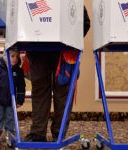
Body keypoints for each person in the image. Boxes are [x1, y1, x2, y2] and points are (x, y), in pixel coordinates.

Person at [24, 6, 90, 142]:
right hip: (38, 49)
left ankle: (57, 134)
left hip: (62, 52)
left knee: (62, 93)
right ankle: (39, 133)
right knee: (42, 92)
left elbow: (84, 22)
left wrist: (71, 40)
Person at [0, 49, 26, 148]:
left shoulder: (18, 71)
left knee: (10, 119)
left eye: (17, 57)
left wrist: (20, 100)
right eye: (12, 56)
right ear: (5, 56)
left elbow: (21, 86)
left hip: (11, 102)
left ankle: (10, 137)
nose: (15, 59)